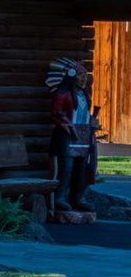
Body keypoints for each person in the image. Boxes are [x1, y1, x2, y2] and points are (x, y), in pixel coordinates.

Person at [50, 61, 99, 215]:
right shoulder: (63, 94)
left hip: (83, 135)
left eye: (85, 75)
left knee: (82, 168)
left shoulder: (85, 96)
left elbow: (83, 115)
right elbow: (56, 113)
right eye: (80, 75)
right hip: (67, 136)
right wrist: (67, 126)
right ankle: (60, 198)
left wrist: (92, 122)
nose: (83, 78)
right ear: (72, 77)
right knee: (67, 168)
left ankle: (78, 198)